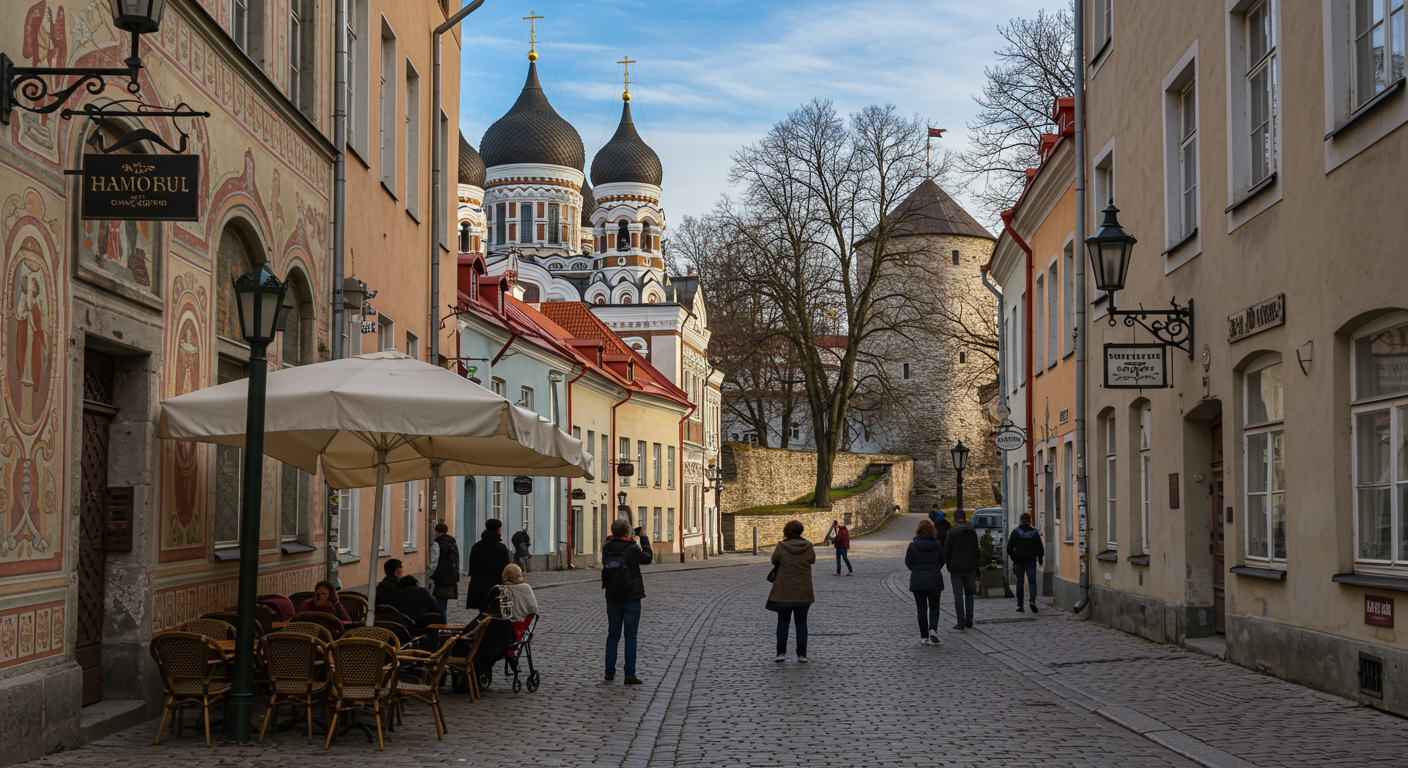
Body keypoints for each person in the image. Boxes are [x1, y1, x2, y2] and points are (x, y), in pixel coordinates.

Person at [602, 519, 653, 685]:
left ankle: (609, 672)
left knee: (613, 636)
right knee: (630, 636)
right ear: (627, 532)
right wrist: (643, 538)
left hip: (612, 598)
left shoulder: (607, 548)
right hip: (631, 598)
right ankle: (629, 674)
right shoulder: (632, 548)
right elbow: (648, 558)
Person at [767, 519, 816, 662]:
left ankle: (780, 653)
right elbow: (812, 560)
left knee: (783, 622)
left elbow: (774, 560)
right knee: (801, 623)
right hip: (803, 591)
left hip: (783, 591)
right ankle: (802, 655)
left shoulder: (782, 546)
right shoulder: (808, 546)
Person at [905, 519, 947, 644]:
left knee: (921, 608)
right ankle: (933, 629)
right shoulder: (938, 545)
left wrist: (916, 569)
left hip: (918, 579)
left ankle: (924, 636)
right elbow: (942, 560)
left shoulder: (912, 546)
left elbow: (908, 562)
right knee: (934, 606)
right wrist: (934, 568)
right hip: (934, 578)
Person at [944, 509, 980, 630]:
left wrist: (948, 565)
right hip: (969, 567)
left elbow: (947, 551)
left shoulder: (952, 533)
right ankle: (969, 619)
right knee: (969, 594)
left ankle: (961, 621)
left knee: (958, 594)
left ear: (954, 519)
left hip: (956, 567)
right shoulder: (971, 531)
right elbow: (976, 549)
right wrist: (976, 565)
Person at [467, 519, 511, 613]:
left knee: (482, 613)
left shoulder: (476, 546)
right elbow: (505, 570)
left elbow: (472, 567)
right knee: (495, 614)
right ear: (498, 530)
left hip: (478, 587)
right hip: (495, 587)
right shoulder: (501, 548)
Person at [1006, 512, 1046, 613]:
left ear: (1020, 521)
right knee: (1032, 582)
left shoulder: (1015, 532)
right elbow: (1040, 547)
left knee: (1020, 583)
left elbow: (1009, 547)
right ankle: (1032, 600)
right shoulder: (1034, 533)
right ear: (1030, 521)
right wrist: (1040, 558)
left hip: (1019, 561)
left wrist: (1013, 557)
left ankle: (1020, 605)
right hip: (1031, 560)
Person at [427, 522, 460, 624]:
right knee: (443, 603)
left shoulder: (437, 544)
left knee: (440, 604)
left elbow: (434, 562)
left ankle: (442, 626)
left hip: (441, 578)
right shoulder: (453, 544)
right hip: (451, 577)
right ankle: (442, 624)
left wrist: (430, 574)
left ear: (437, 532)